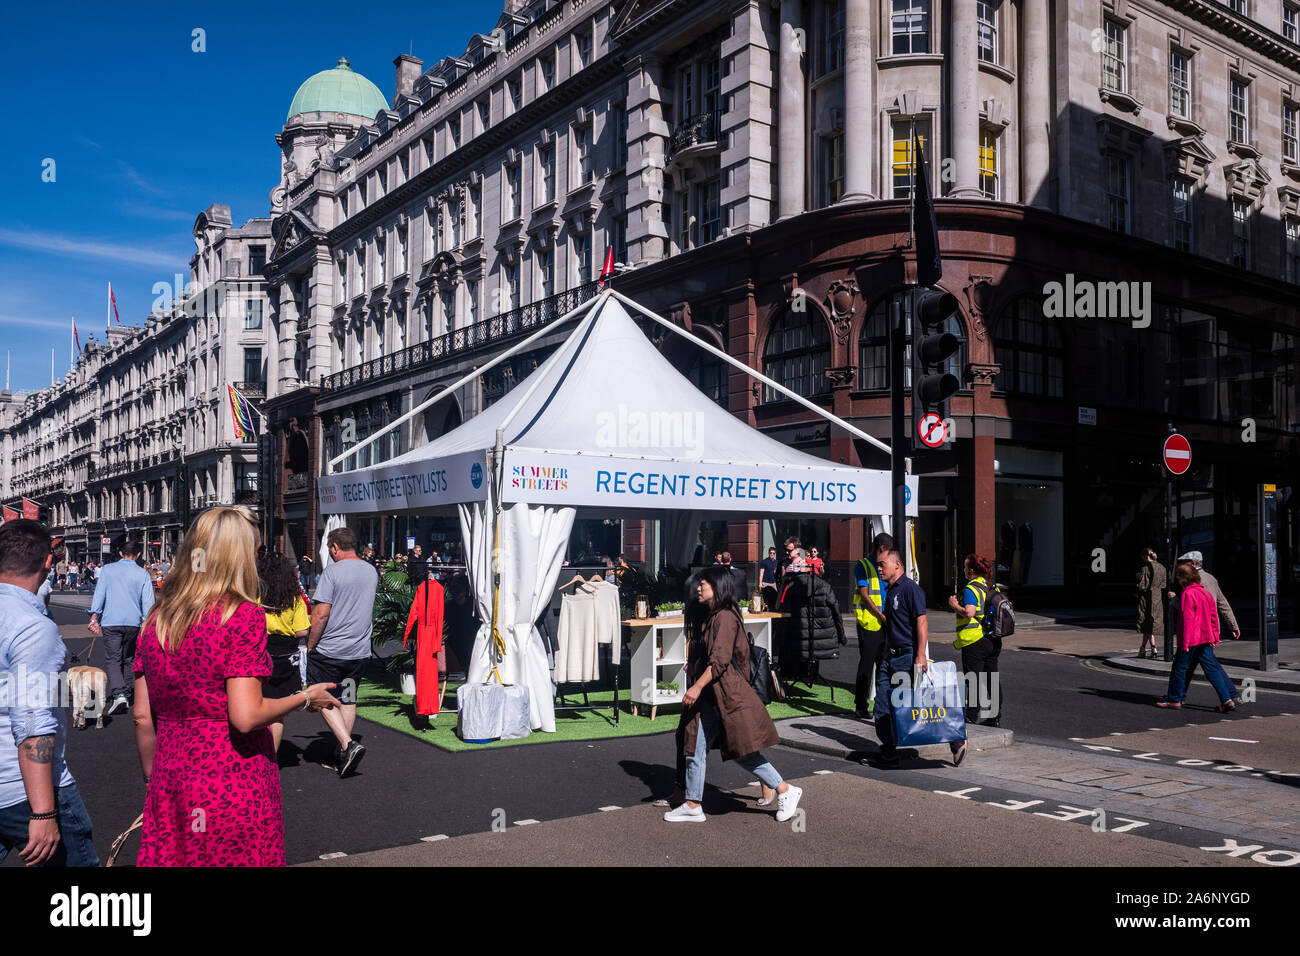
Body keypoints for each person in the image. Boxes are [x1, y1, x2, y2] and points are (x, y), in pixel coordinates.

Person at [132, 506, 340, 866]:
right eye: (255, 551)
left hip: (172, 774)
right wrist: (304, 697)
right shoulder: (239, 615)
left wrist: (156, 779)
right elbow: (246, 716)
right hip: (230, 774)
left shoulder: (158, 618)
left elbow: (141, 715)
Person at [665, 565, 802, 823]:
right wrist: (695, 669)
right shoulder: (715, 615)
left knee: (742, 751)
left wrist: (695, 686)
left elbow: (720, 661)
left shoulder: (725, 617)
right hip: (716, 696)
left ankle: (785, 789)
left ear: (716, 587)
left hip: (728, 696)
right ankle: (693, 804)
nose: (698, 588)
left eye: (703, 584)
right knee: (695, 745)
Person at [0, 520, 99, 867]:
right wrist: (43, 813)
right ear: (47, 562)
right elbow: (31, 719)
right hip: (22, 786)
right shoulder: (32, 626)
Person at [873, 549, 965, 768]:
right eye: (878, 565)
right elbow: (893, 624)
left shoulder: (910, 589)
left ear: (897, 564)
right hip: (890, 656)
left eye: (882, 564)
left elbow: (921, 622)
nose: (879, 569)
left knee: (921, 701)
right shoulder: (891, 590)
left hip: (907, 655)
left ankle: (955, 739)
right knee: (882, 704)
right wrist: (886, 648)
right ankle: (888, 752)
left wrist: (920, 654)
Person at [307, 526, 380, 777]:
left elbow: (321, 614)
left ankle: (348, 745)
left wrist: (310, 644)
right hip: (358, 651)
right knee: (348, 697)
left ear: (335, 547)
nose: (331, 554)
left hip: (330, 650)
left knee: (321, 696)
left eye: (330, 550)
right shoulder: (371, 571)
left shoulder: (332, 572)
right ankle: (342, 751)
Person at [1157, 561, 1241, 712]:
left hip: (1191, 639)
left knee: (1179, 668)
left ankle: (1174, 700)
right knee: (1212, 669)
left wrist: (1184, 643)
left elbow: (1187, 621)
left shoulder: (1187, 594)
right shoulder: (1205, 593)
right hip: (1207, 637)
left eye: (1179, 578)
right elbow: (1213, 616)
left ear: (1183, 579)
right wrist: (1215, 636)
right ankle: (1227, 700)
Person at [88, 539, 156, 717]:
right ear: (139, 554)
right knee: (129, 658)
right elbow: (148, 602)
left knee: (113, 658)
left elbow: (100, 594)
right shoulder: (143, 574)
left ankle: (119, 694)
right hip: (133, 622)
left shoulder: (108, 570)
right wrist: (147, 622)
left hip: (112, 620)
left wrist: (94, 617)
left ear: (120, 553)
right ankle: (127, 692)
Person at [257, 553, 312, 755]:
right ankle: (272, 756)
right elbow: (302, 632)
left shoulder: (256, 597)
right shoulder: (295, 599)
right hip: (286, 657)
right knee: (277, 714)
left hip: (261, 652)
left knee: (256, 706)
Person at [778, 547, 846, 681]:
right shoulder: (825, 586)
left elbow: (783, 610)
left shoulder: (791, 586)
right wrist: (841, 635)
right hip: (822, 637)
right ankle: (811, 674)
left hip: (798, 639)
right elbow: (836, 610)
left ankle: (801, 674)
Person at [949, 553, 1001, 727]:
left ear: (971, 570)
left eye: (964, 567)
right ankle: (994, 717)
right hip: (993, 639)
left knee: (973, 678)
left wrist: (954, 605)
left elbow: (970, 612)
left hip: (974, 640)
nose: (963, 569)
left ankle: (971, 715)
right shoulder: (992, 586)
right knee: (991, 677)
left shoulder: (972, 588)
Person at [852, 533, 894, 718]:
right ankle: (860, 705)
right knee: (867, 665)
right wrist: (881, 615)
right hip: (870, 623)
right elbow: (864, 594)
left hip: (885, 621)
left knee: (884, 665)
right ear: (882, 549)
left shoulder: (885, 566)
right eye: (889, 550)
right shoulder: (863, 565)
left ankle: (881, 705)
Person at [1177, 551, 1240, 641]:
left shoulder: (1190, 580)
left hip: (1198, 629)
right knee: (1206, 653)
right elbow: (1223, 604)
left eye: (1184, 563)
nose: (1182, 566)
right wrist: (1233, 626)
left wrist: (1173, 600)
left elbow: (1186, 607)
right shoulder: (1211, 578)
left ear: (1193, 564)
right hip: (1212, 627)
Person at [1136, 548, 1167, 659]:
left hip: (1147, 598)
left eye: (1142, 556)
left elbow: (1143, 586)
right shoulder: (1162, 568)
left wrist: (1138, 578)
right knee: (1150, 625)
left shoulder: (1146, 568)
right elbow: (1164, 584)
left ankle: (1152, 647)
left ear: (1146, 556)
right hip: (1158, 598)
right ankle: (1144, 648)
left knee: (1146, 623)